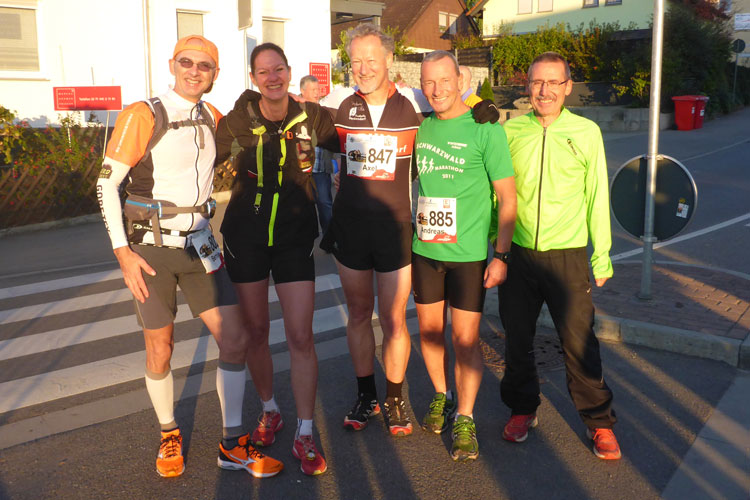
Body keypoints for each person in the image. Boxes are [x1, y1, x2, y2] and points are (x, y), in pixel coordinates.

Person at [95, 35, 283, 478]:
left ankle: (232, 443)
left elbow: (258, 121)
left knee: (234, 339)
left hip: (201, 243)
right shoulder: (143, 114)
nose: (194, 71)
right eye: (186, 62)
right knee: (160, 348)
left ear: (215, 74)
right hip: (150, 249)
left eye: (205, 65)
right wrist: (122, 253)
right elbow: (106, 183)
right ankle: (168, 432)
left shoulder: (212, 116)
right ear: (172, 65)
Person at [319, 23, 500, 437]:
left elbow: (451, 96)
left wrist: (481, 106)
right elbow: (294, 110)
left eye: (371, 59)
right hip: (351, 227)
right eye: (356, 61)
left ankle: (395, 398)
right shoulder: (337, 102)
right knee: (358, 314)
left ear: (388, 60)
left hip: (397, 228)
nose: (363, 68)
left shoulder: (415, 101)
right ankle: (366, 396)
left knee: (394, 319)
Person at [215, 43, 339, 476]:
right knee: (256, 332)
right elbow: (198, 155)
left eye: (279, 69)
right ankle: (270, 410)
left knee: (301, 335)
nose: (273, 77)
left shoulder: (313, 117)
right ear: (253, 79)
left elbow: (363, 133)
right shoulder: (237, 120)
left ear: (289, 72)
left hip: (294, 236)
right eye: (264, 71)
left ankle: (305, 431)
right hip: (245, 237)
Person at [498, 52, 621, 460]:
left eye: (553, 82)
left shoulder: (586, 132)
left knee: (579, 342)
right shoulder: (511, 131)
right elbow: (496, 192)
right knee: (517, 339)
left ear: (568, 86)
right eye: (537, 82)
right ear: (527, 86)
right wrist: (494, 247)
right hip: (518, 253)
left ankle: (599, 421)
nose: (544, 90)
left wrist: (602, 255)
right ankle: (522, 409)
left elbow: (597, 195)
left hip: (567, 254)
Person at [412, 51, 516, 461]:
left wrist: (501, 255)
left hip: (469, 256)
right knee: (429, 334)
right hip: (425, 250)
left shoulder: (485, 128)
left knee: (466, 340)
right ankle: (443, 394)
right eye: (428, 82)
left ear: (461, 79)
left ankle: (466, 417)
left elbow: (507, 198)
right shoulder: (421, 126)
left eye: (444, 80)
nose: (436, 89)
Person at [300, 74, 336, 234]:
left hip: (320, 168)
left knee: (325, 204)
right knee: (301, 205)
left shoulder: (324, 112)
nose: (317, 93)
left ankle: (329, 238)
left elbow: (332, 137)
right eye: (313, 89)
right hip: (301, 169)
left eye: (318, 89)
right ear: (303, 91)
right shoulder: (295, 110)